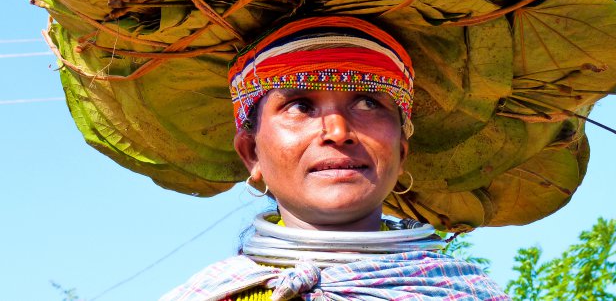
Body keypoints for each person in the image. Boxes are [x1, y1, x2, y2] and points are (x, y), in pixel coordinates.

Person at [159, 16, 509, 301]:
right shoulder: (215, 295)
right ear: (252, 154)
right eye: (300, 106)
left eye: (368, 103)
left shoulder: (464, 293)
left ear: (401, 152)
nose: (338, 131)